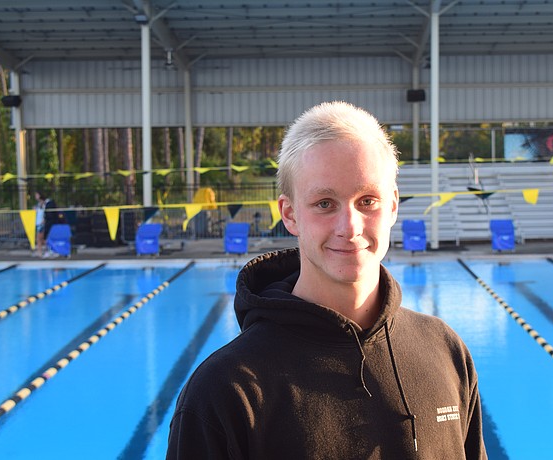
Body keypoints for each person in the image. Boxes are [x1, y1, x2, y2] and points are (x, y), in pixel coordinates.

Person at [167, 101, 487, 459]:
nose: (349, 228)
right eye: (324, 203)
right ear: (289, 214)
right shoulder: (227, 389)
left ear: (393, 205)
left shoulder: (445, 350)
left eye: (367, 201)